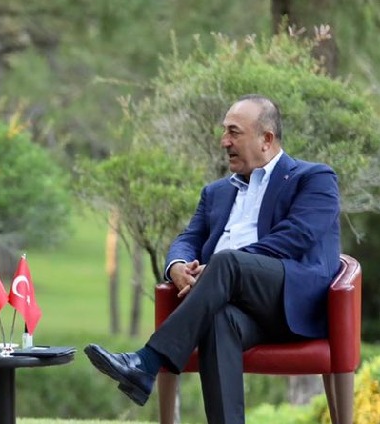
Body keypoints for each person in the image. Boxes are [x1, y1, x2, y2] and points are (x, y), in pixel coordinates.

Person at [84, 95, 341, 423]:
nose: (224, 141)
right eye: (224, 132)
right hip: (228, 302)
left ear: (266, 139)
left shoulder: (314, 178)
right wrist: (177, 266)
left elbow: (296, 236)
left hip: (287, 302)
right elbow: (187, 239)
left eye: (234, 132)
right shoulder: (216, 192)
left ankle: (146, 362)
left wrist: (224, 267)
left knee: (226, 262)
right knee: (220, 322)